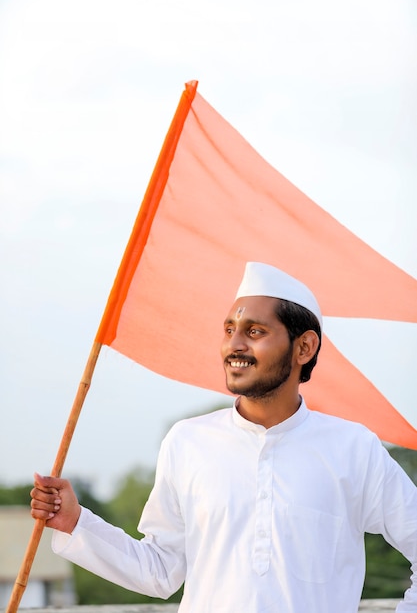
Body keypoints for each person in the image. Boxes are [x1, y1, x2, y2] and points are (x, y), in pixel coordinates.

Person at [31, 261, 417, 612]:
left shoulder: (353, 449)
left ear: (304, 347)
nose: (234, 345)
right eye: (230, 330)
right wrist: (75, 522)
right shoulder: (187, 442)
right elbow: (161, 570)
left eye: (255, 331)